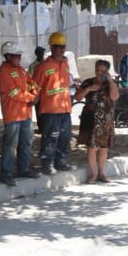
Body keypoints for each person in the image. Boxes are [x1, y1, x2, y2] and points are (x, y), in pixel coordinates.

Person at [0, 41, 40, 186]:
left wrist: (35, 91)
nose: (19, 58)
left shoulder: (20, 70)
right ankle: (6, 174)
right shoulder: (3, 73)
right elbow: (15, 93)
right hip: (13, 115)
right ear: (7, 56)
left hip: (25, 114)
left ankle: (24, 169)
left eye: (19, 56)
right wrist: (33, 98)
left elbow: (31, 82)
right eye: (16, 56)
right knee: (10, 145)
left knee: (26, 143)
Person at [32, 33, 74, 174]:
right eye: (57, 47)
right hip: (50, 110)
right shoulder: (43, 66)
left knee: (65, 137)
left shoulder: (65, 64)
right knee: (51, 137)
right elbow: (35, 87)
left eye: (62, 47)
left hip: (65, 108)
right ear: (51, 47)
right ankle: (47, 164)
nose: (60, 50)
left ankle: (61, 162)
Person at [75, 59, 119, 183]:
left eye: (102, 71)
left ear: (107, 71)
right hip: (91, 120)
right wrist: (89, 89)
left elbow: (114, 97)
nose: (99, 73)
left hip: (106, 121)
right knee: (91, 147)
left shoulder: (111, 83)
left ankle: (101, 173)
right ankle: (93, 174)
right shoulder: (88, 82)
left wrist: (110, 81)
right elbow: (78, 97)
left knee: (104, 148)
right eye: (97, 70)